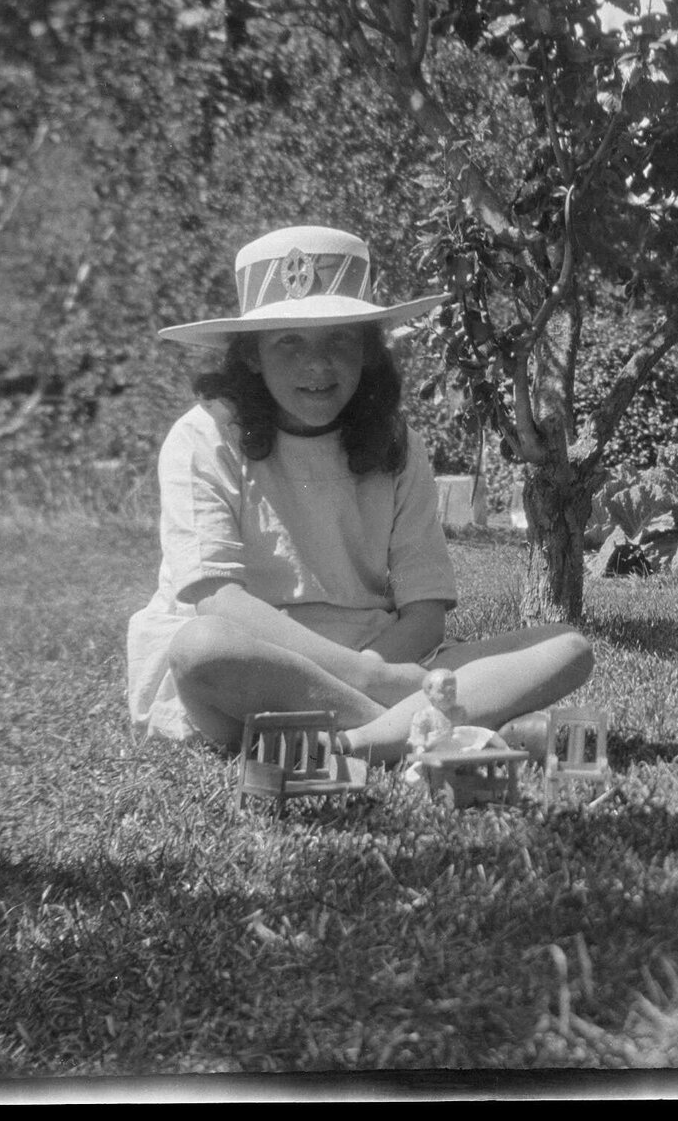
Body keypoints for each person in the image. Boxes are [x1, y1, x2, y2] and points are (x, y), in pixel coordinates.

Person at [125, 225, 594, 764]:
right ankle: (426, 730)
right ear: (251, 355)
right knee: (200, 649)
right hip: (261, 663)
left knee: (566, 647)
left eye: (340, 339)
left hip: (382, 654)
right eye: (289, 342)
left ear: (369, 351)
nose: (318, 366)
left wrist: (379, 664)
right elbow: (219, 603)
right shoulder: (203, 437)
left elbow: (424, 612)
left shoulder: (396, 445)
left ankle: (352, 744)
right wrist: (369, 677)